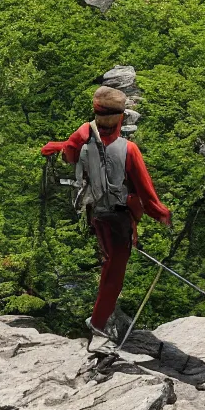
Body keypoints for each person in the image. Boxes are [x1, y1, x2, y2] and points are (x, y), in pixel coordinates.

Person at [42, 85, 172, 336]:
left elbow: (69, 155)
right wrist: (163, 215)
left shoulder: (83, 139)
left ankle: (100, 322)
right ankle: (99, 326)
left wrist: (54, 147)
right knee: (114, 274)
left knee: (109, 264)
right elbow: (147, 194)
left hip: (97, 215)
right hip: (119, 218)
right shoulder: (128, 149)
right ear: (121, 118)